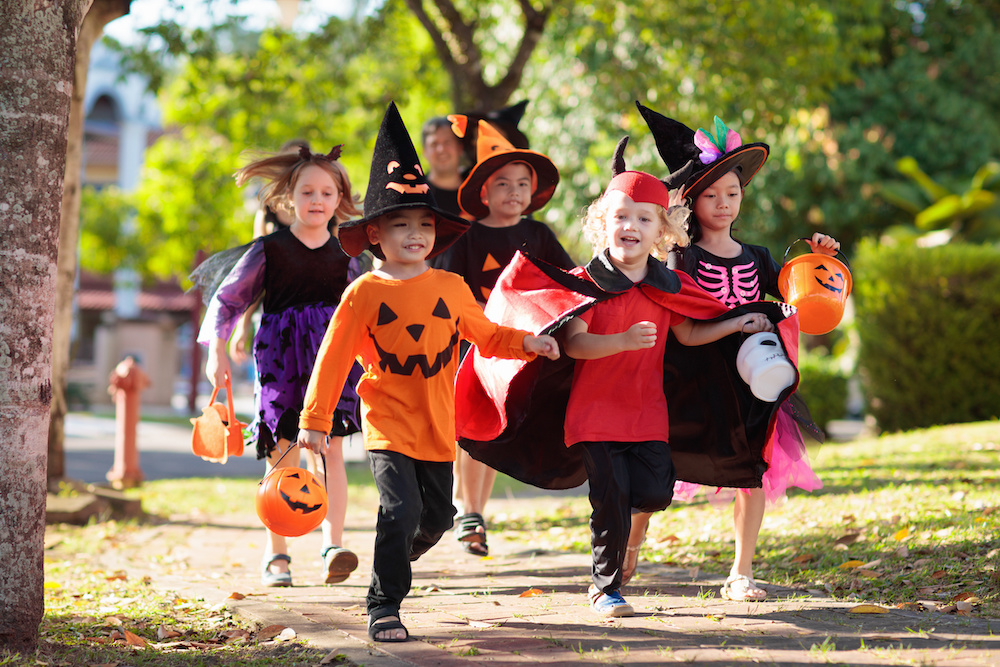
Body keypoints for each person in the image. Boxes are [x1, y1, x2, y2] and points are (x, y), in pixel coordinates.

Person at [296, 102, 560, 643]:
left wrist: (529, 343)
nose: (414, 234)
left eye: (422, 224)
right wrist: (315, 421)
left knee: (436, 519)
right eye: (399, 225)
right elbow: (334, 356)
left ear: (436, 234)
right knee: (401, 507)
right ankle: (384, 604)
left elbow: (486, 336)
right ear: (375, 235)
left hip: (440, 426)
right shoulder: (365, 293)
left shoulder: (450, 289)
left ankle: (388, 561)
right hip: (389, 424)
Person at [624, 103, 836, 601]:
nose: (724, 203)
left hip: (751, 383)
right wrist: (734, 321)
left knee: (753, 470)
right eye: (712, 195)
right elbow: (679, 326)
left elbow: (800, 299)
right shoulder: (681, 257)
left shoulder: (760, 257)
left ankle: (741, 571)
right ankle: (630, 544)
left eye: (733, 192)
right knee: (661, 468)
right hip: (693, 381)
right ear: (691, 202)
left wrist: (818, 258)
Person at [557, 169, 775, 617]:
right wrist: (618, 342)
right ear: (602, 224)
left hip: (647, 414)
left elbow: (690, 333)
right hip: (596, 414)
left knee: (656, 493)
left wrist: (736, 322)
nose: (630, 227)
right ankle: (605, 586)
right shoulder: (588, 282)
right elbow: (575, 342)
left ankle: (623, 543)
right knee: (611, 499)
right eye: (620, 217)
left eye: (643, 219)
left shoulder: (665, 286)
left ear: (663, 231)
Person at [195, 143, 363, 588]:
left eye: (327, 193)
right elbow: (228, 301)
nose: (317, 200)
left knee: (331, 451)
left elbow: (367, 311)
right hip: (278, 360)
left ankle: (333, 544)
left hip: (332, 360)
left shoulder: (349, 255)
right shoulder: (268, 250)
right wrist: (216, 352)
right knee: (282, 453)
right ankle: (278, 555)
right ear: (289, 195)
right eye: (308, 191)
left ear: (339, 198)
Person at [433, 119, 575, 556]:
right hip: (474, 345)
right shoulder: (469, 236)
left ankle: (471, 509)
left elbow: (567, 281)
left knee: (494, 428)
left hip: (521, 348)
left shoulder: (538, 235)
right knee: (473, 424)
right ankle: (467, 509)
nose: (513, 192)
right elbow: (449, 288)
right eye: (503, 184)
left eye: (522, 184)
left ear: (533, 192)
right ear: (484, 192)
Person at [421, 116, 466, 216]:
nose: (441, 149)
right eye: (434, 144)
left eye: (447, 142)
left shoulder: (478, 193)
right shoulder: (416, 195)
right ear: (424, 152)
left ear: (460, 148)